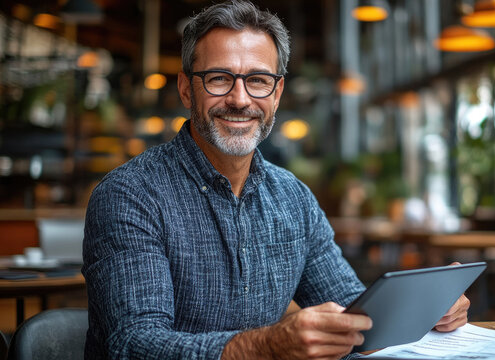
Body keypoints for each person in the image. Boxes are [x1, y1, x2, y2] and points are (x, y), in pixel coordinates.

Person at [82, 1, 470, 359]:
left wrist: (425, 312)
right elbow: (135, 345)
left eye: (258, 80)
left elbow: (355, 313)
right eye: (219, 79)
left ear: (277, 92)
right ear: (187, 88)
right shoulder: (129, 195)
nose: (240, 99)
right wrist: (267, 346)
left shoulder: (293, 198)